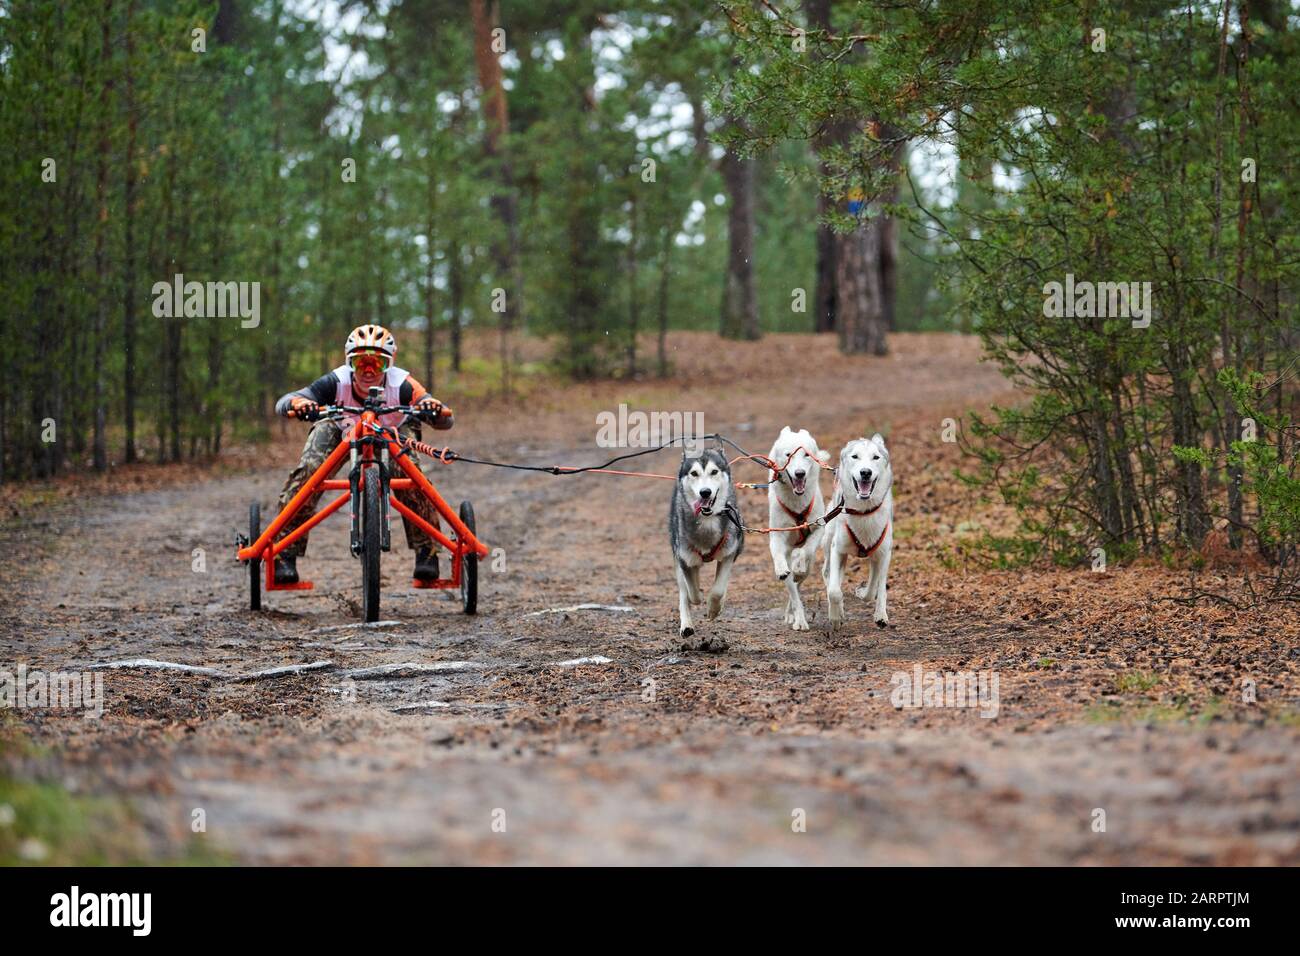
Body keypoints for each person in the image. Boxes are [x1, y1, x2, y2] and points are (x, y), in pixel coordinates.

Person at [271, 324, 453, 584]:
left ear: (389, 365)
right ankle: (284, 552)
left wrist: (431, 407)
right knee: (310, 471)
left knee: (411, 477)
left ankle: (428, 550)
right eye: (360, 363)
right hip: (339, 426)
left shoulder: (403, 384)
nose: (368, 371)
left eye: (376, 364)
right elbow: (286, 401)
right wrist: (299, 404)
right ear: (349, 363)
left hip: (392, 428)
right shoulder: (335, 382)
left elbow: (444, 417)